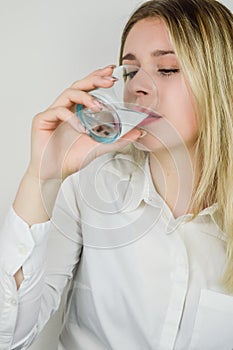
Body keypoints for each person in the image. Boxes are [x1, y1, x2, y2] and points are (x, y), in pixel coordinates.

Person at [0, 0, 232, 349]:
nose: (139, 87)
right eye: (131, 71)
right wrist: (41, 177)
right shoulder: (88, 185)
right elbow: (9, 336)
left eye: (167, 69)